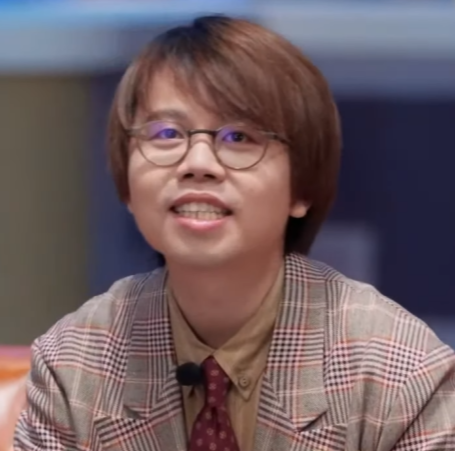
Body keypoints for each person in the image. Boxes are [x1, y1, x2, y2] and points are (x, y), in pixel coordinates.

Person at [14, 15, 455, 451]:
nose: (198, 163)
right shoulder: (74, 364)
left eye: (239, 137)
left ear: (301, 189)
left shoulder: (400, 371)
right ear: (127, 184)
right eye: (166, 133)